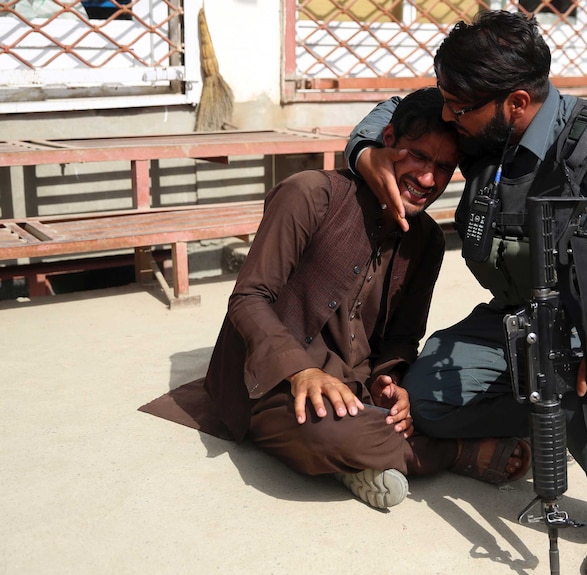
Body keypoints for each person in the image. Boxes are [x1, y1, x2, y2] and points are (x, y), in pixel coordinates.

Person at [344, 11, 587, 574]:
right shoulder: (479, 126)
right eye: (448, 101)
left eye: (458, 107)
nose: (447, 116)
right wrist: (367, 150)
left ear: (516, 102)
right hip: (514, 314)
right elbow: (397, 110)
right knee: (423, 400)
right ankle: (544, 420)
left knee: (568, 384)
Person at [202, 87, 532, 511]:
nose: (428, 179)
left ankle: (357, 461)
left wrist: (391, 381)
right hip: (273, 383)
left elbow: (402, 338)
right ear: (388, 139)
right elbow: (249, 297)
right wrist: (301, 370)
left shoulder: (427, 239)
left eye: (444, 167)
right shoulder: (310, 194)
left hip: (355, 392)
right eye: (417, 156)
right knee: (324, 430)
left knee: (424, 405)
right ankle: (456, 453)